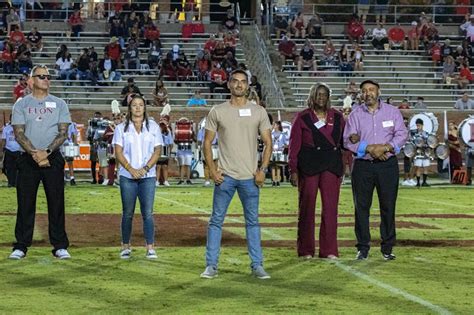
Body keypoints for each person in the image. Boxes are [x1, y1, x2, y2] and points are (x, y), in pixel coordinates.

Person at [200, 69, 272, 279]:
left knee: (253, 222)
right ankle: (211, 265)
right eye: (235, 81)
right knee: (216, 221)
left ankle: (257, 265)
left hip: (250, 177)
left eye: (243, 82)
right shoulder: (217, 111)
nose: (239, 85)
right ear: (229, 84)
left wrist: (263, 170)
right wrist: (212, 170)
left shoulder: (258, 111)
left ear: (248, 85)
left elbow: (268, 143)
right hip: (226, 176)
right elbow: (206, 141)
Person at [10, 65, 72, 260]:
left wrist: (46, 152)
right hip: (27, 158)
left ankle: (60, 245)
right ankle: (21, 245)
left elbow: (63, 133)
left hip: (52, 157)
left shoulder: (60, 103)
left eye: (48, 76)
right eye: (42, 76)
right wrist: (35, 153)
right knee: (25, 203)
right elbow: (18, 133)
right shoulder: (21, 104)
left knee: (56, 203)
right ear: (32, 80)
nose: (46, 79)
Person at [343, 80, 408, 261]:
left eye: (371, 90)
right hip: (363, 166)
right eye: (364, 91)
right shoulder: (355, 115)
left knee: (388, 206)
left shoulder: (392, 112)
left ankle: (387, 247)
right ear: (361, 95)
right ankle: (363, 247)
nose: (368, 93)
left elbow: (402, 134)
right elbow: (348, 140)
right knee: (361, 207)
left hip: (387, 165)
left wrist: (386, 147)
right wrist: (370, 148)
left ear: (378, 92)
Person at [288, 83, 345, 259]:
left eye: (324, 94)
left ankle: (329, 250)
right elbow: (294, 145)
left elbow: (344, 143)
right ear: (312, 96)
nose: (321, 97)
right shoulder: (302, 117)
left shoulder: (338, 116)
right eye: (318, 94)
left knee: (330, 208)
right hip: (309, 165)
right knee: (307, 208)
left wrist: (345, 165)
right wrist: (293, 169)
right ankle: (306, 250)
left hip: (331, 165)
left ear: (328, 97)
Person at [113, 95, 163, 259]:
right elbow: (118, 152)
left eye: (141, 105)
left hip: (147, 176)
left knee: (147, 213)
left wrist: (145, 168)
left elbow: (157, 151)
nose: (138, 108)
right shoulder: (121, 128)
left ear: (145, 108)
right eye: (134, 105)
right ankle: (125, 246)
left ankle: (150, 247)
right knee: (127, 212)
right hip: (127, 175)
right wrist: (130, 169)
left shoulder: (154, 127)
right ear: (130, 108)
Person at [1, 117, 21, 187]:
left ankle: (16, 182)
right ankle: (10, 182)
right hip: (9, 150)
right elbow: (3, 140)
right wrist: (1, 151)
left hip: (19, 150)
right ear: (10, 119)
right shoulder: (6, 128)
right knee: (9, 168)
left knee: (18, 168)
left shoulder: (21, 128)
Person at [197, 120, 217, 187]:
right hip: (210, 146)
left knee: (211, 164)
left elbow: (199, 141)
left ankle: (210, 180)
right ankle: (209, 180)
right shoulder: (213, 130)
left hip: (211, 146)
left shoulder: (202, 131)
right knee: (208, 164)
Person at [411, 119, 431, 187]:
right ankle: (418, 182)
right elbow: (412, 143)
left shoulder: (426, 133)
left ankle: (424, 182)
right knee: (418, 167)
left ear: (422, 125)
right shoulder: (414, 134)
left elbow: (429, 142)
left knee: (426, 167)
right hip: (418, 153)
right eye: (417, 125)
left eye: (419, 125)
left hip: (425, 152)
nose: (418, 127)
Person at [156, 119, 173, 187]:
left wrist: (170, 151)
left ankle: (166, 181)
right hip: (158, 149)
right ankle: (157, 181)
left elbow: (170, 142)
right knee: (158, 166)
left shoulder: (168, 131)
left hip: (165, 149)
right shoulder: (156, 131)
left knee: (165, 166)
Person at [270, 121, 287, 187]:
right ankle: (274, 181)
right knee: (273, 166)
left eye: (275, 124)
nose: (273, 126)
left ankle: (278, 181)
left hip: (279, 152)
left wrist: (281, 147)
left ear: (278, 126)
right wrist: (271, 147)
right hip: (273, 151)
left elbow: (285, 144)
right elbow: (269, 143)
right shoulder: (271, 134)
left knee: (279, 166)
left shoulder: (282, 134)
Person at [62, 121, 78, 186]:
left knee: (63, 162)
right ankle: (72, 178)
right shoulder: (72, 123)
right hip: (68, 143)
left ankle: (64, 178)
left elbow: (73, 135)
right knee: (70, 162)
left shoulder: (70, 123)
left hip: (62, 143)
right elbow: (74, 135)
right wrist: (75, 144)